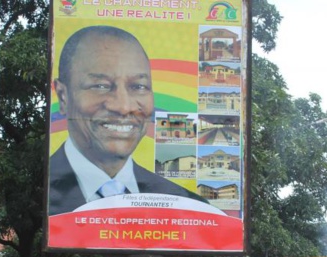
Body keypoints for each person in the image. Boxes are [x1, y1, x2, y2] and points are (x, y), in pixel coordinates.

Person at [48, 25, 208, 215]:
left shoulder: (187, 206)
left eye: (138, 86)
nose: (124, 107)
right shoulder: (37, 192)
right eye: (100, 85)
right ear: (63, 96)